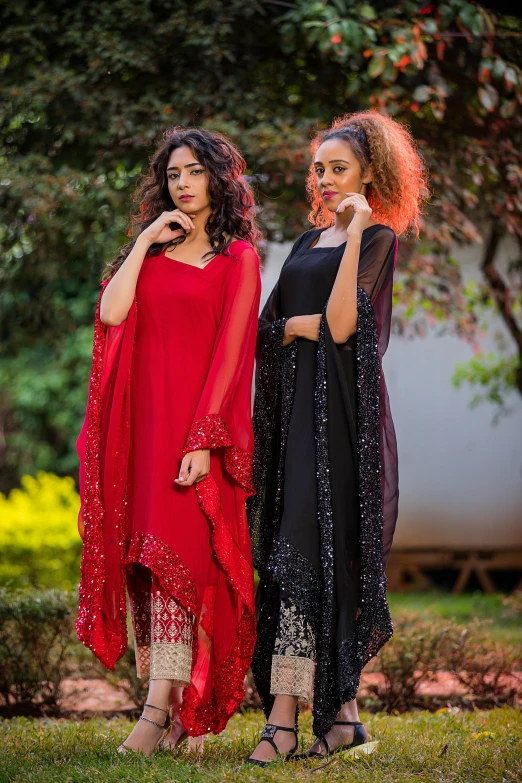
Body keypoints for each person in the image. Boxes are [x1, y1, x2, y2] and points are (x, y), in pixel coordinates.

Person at [247, 111, 428, 766]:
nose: (322, 179)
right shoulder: (299, 244)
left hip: (344, 430)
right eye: (318, 168)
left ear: (368, 175)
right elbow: (270, 329)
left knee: (322, 561)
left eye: (337, 169)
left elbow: (345, 324)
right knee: (297, 559)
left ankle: (283, 722)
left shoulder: (378, 239)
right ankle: (343, 717)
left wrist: (351, 231)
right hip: (294, 422)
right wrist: (298, 326)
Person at [76, 126, 261, 755]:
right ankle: (177, 716)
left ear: (218, 179)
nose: (182, 185)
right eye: (172, 176)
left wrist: (206, 440)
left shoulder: (237, 259)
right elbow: (111, 314)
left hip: (194, 434)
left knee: (185, 563)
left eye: (194, 173)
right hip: (142, 433)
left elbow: (234, 356)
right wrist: (145, 240)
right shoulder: (151, 254)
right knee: (149, 568)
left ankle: (158, 715)